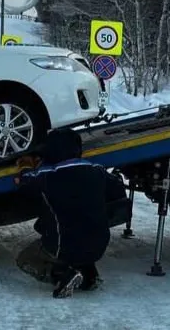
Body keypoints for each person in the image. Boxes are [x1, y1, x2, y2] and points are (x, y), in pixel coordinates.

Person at [14, 127, 127, 298]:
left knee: (25, 259)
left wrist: (26, 165)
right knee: (82, 235)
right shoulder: (97, 170)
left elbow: (22, 181)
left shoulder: (48, 175)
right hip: (99, 245)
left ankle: (61, 275)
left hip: (65, 246)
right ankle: (89, 275)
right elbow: (117, 184)